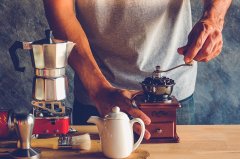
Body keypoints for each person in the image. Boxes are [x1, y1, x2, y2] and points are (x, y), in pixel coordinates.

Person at [42, 0, 231, 140]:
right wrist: (98, 89)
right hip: (98, 94)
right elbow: (61, 13)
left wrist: (214, 18)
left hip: (173, 95)